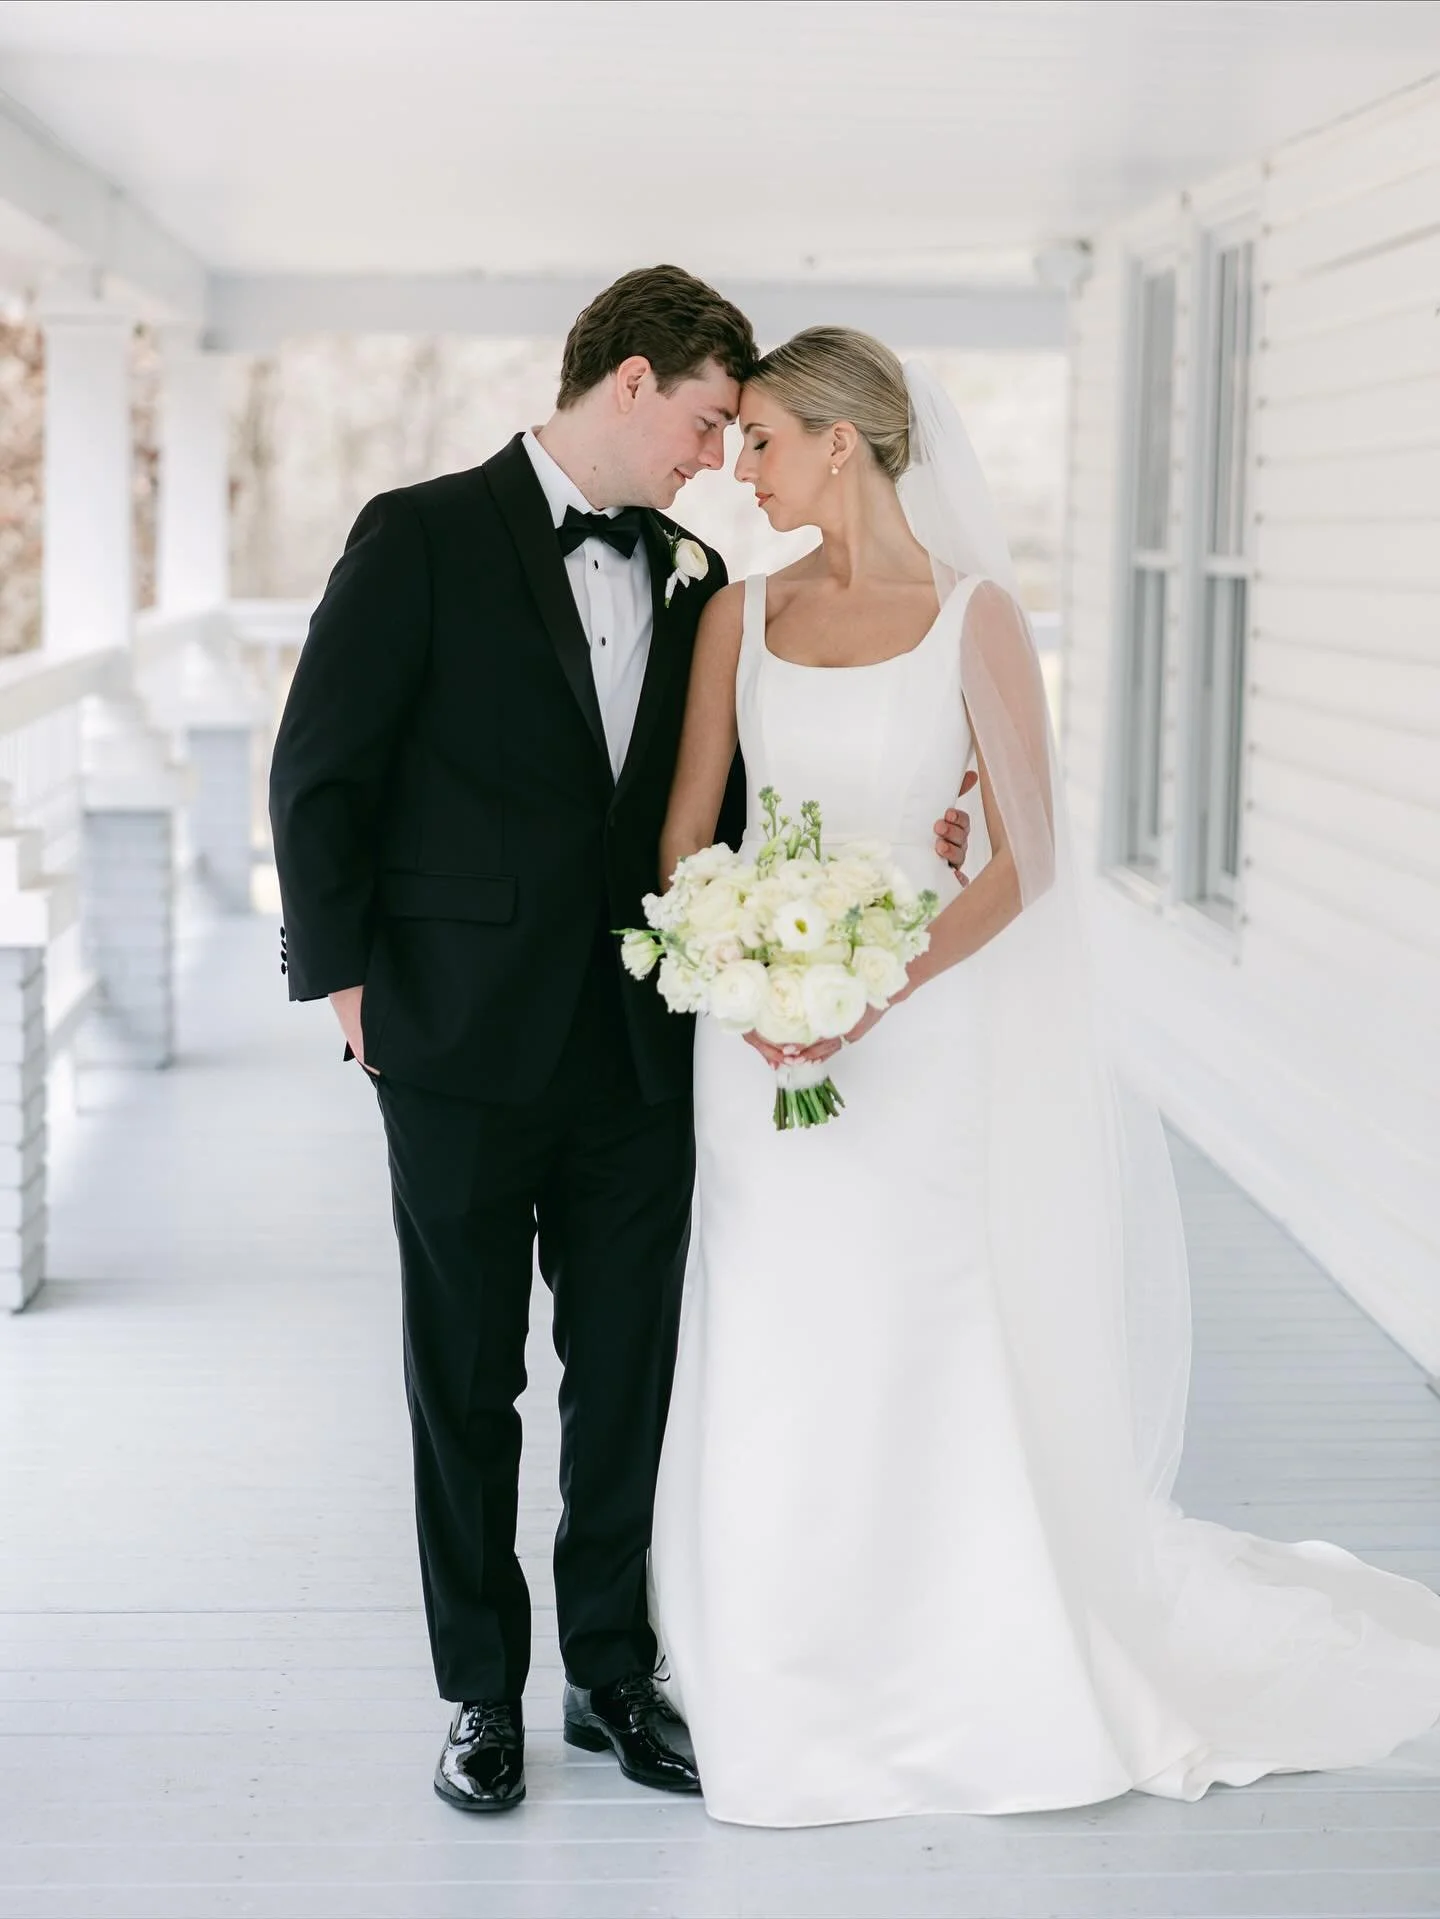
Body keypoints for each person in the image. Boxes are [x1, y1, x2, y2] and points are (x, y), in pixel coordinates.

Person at [648, 325, 1440, 1826]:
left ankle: (955, 1648)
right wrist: (748, 971)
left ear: (839, 440)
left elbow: (1029, 855)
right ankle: (777, 1660)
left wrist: (866, 994)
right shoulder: (735, 618)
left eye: (758, 437)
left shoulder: (974, 618)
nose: (736, 465)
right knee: (775, 1325)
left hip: (915, 1029)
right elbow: (691, 836)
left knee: (918, 1323)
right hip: (752, 1045)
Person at [268, 265, 980, 1814]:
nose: (722, 458)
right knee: (462, 1375)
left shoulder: (686, 570)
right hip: (451, 1039)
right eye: (715, 420)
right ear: (636, 380)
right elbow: (318, 767)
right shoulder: (421, 533)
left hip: (643, 1046)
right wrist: (345, 989)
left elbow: (716, 802)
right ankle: (478, 1692)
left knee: (629, 1370)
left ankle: (610, 1664)